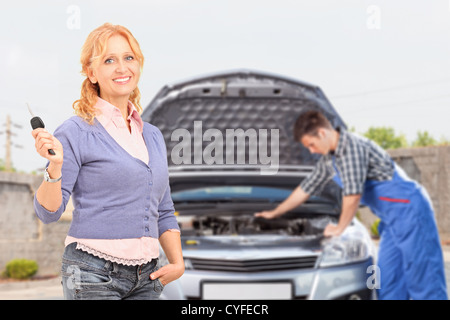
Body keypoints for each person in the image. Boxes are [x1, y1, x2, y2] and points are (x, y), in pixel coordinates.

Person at [31, 23, 184, 300]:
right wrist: (54, 168)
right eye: (109, 60)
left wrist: (177, 263)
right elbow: (48, 213)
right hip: (92, 272)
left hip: (147, 276)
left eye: (129, 58)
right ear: (91, 72)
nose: (122, 68)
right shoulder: (75, 131)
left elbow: (164, 210)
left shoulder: (152, 135)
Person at [255, 110, 447, 300]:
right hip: (391, 221)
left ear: (322, 133)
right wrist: (274, 212)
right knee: (388, 282)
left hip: (410, 211)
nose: (311, 151)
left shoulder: (352, 147)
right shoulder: (329, 161)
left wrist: (339, 228)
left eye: (311, 145)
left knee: (424, 277)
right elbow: (306, 188)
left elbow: (353, 194)